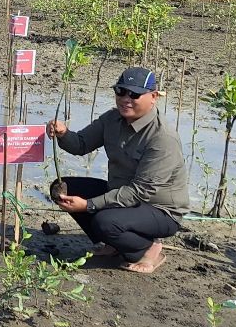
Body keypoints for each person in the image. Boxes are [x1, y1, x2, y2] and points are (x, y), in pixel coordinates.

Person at [46, 66, 189, 274]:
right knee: (62, 189)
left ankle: (149, 250)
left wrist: (88, 205)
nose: (125, 98)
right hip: (122, 197)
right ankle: (114, 245)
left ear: (153, 97)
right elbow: (81, 144)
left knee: (105, 221)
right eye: (120, 91)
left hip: (159, 209)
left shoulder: (162, 138)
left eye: (134, 94)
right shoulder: (111, 119)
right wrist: (63, 132)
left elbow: (139, 192)